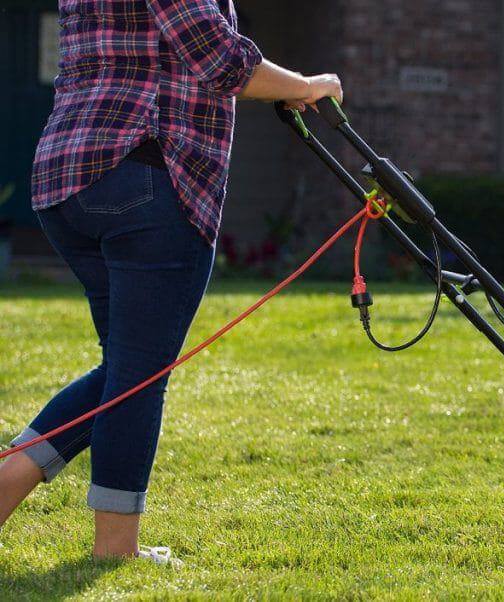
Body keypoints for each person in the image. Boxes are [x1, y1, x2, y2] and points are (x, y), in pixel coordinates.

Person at [0, 0, 341, 566]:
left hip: (66, 180)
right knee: (139, 377)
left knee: (125, 370)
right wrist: (305, 84)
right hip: (148, 177)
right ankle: (115, 549)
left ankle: (13, 474)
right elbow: (220, 59)